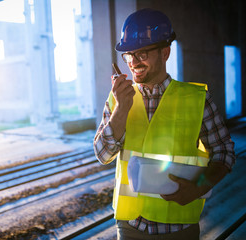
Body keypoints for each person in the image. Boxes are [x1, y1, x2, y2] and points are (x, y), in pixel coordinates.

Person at [93, 8, 236, 240]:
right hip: (130, 227)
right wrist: (121, 108)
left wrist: (199, 186)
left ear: (165, 53)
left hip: (178, 228)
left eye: (142, 54)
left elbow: (224, 153)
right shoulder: (117, 99)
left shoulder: (196, 99)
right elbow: (102, 154)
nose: (133, 62)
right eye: (129, 55)